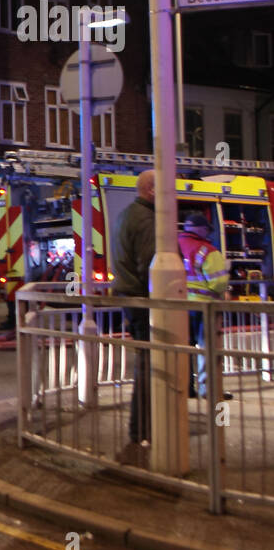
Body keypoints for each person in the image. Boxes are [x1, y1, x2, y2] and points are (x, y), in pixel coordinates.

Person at [112, 170, 156, 448]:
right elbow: (150, 264)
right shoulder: (147, 220)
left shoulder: (126, 214)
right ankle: (143, 429)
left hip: (129, 298)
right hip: (143, 301)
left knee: (145, 363)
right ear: (151, 190)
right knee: (150, 366)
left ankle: (141, 429)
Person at [177, 212, 230, 400]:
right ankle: (207, 390)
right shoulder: (208, 251)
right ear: (201, 229)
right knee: (208, 349)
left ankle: (185, 388)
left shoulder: (174, 246)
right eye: (207, 230)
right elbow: (218, 283)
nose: (208, 233)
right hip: (206, 307)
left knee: (184, 348)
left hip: (180, 307)